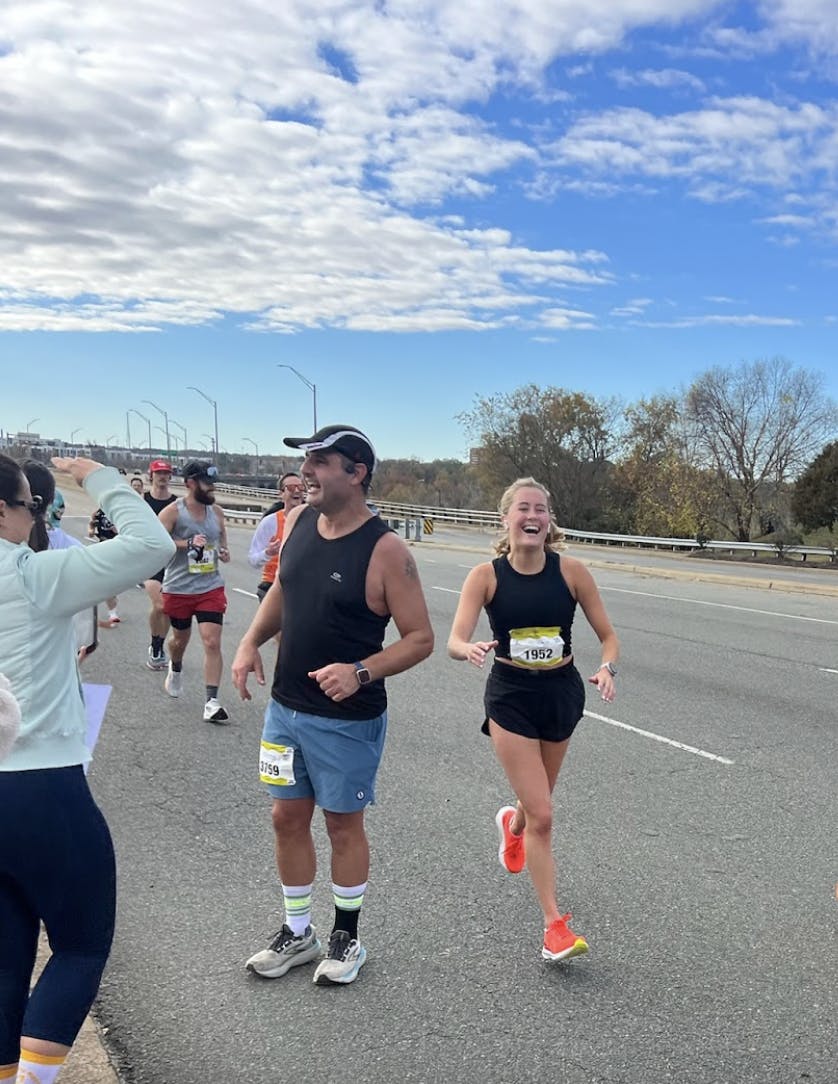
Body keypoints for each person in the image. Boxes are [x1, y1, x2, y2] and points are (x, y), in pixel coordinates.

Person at [232, 424, 434, 986]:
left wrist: (361, 671)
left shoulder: (387, 550)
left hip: (346, 719)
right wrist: (249, 642)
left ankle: (347, 936)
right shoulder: (297, 522)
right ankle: (298, 934)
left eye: (321, 461)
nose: (307, 473)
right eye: (306, 462)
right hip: (285, 709)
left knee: (343, 825)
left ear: (356, 472)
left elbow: (420, 638)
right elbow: (282, 590)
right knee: (285, 817)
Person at [0, 454, 174, 1084]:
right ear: (3, 512)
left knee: (5, 954)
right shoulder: (32, 575)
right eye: (31, 506)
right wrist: (99, 477)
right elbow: (151, 543)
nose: (38, 517)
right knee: (80, 943)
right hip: (40, 783)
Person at [447, 476, 619, 963]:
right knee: (544, 814)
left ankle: (512, 824)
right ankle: (553, 928)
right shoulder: (486, 576)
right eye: (523, 508)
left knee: (537, 799)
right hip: (511, 696)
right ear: (506, 519)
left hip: (561, 694)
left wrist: (607, 667)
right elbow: (453, 640)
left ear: (549, 521)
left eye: (541, 509)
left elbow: (609, 636)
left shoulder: (572, 573)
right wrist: (470, 647)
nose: (532, 516)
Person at [158, 460, 231, 722]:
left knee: (212, 641)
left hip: (210, 585)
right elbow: (158, 542)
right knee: (180, 641)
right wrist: (185, 543)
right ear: (190, 483)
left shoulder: (217, 512)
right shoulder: (173, 512)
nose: (211, 488)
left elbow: (221, 535)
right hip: (178, 587)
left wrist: (223, 549)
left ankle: (211, 701)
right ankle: (174, 667)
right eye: (206, 482)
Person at [247, 472, 305, 602]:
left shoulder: (315, 519)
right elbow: (253, 560)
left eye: (300, 487)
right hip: (272, 586)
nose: (296, 490)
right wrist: (268, 553)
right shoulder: (270, 522)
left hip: (303, 586)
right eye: (290, 487)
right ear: (281, 493)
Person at [142, 460, 177, 670]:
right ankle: (155, 647)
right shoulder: (143, 500)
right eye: (158, 473)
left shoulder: (176, 504)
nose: (162, 477)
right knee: (160, 604)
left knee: (169, 609)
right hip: (149, 560)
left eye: (166, 473)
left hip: (172, 563)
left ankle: (158, 644)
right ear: (151, 475)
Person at [87, 505, 120, 626]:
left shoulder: (119, 512)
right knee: (108, 583)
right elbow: (92, 524)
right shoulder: (98, 514)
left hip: (119, 549)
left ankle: (113, 602)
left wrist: (118, 530)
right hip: (104, 549)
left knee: (114, 583)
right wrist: (90, 531)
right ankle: (113, 613)